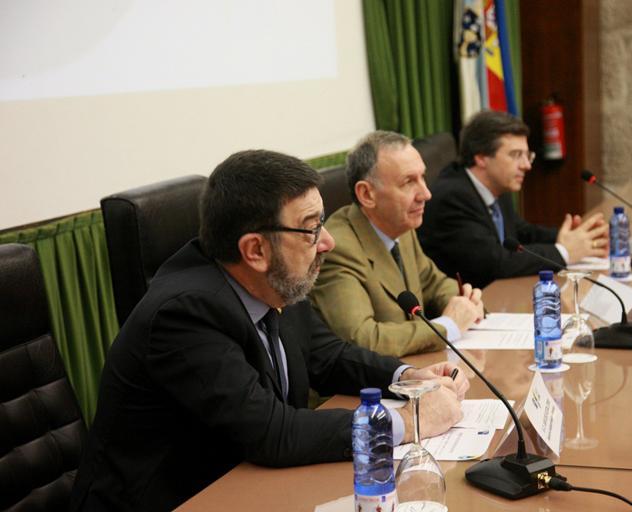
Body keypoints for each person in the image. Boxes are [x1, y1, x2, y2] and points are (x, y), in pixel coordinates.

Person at [70, 150, 468, 512]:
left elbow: (326, 355)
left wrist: (406, 379)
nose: (327, 242)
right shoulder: (185, 314)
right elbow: (270, 431)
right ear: (255, 250)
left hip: (246, 487)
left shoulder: (274, 282)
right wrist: (410, 423)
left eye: (322, 223)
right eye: (311, 229)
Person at [310, 131, 484, 358]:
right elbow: (361, 339)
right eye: (409, 182)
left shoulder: (401, 227)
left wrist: (464, 303)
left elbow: (433, 283)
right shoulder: (338, 248)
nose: (426, 194)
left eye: (423, 177)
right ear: (366, 194)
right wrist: (446, 327)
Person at [417, 110, 609, 289]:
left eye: (527, 156)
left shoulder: (496, 185)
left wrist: (575, 237)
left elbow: (521, 233)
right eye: (516, 155)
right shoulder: (453, 197)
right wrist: (563, 251)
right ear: (482, 157)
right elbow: (495, 264)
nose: (526, 165)